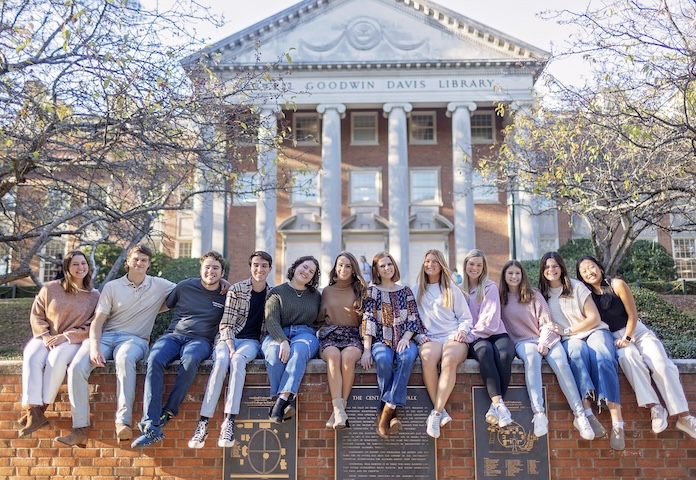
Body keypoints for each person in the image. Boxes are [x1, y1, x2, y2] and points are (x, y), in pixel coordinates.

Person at [56, 244, 176, 448]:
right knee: (76, 367)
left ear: (148, 264)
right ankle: (80, 429)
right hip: (105, 337)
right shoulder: (112, 287)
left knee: (124, 359)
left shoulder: (160, 285)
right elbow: (98, 322)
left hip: (134, 340)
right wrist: (94, 347)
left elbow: (191, 289)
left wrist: (223, 283)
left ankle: (123, 423)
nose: (139, 263)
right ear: (128, 262)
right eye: (136, 259)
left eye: (144, 260)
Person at [577, 255, 696, 439]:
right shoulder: (586, 296)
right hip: (614, 338)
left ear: (600, 267)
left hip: (636, 331)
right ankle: (655, 407)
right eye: (583, 271)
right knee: (627, 358)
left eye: (591, 267)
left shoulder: (617, 284)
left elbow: (632, 315)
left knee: (661, 365)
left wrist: (628, 336)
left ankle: (684, 416)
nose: (589, 272)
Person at [131, 251, 227, 448]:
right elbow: (163, 306)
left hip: (201, 341)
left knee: (191, 360)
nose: (211, 271)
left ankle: (168, 412)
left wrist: (227, 284)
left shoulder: (227, 294)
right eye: (207, 267)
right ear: (200, 269)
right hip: (173, 336)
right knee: (154, 358)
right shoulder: (185, 287)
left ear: (222, 272)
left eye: (216, 268)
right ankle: (151, 423)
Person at [539, 251, 626, 451]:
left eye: (555, 266)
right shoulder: (542, 295)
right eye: (547, 267)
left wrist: (568, 330)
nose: (551, 270)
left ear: (561, 267)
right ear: (542, 271)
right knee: (577, 355)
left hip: (594, 331)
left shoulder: (576, 287)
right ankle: (588, 415)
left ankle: (617, 423)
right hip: (570, 340)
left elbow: (594, 318)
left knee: (604, 356)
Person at [499, 260, 594, 440]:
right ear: (504, 276)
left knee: (561, 363)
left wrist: (544, 342)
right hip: (523, 341)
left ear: (522, 275)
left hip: (546, 337)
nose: (514, 277)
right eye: (510, 273)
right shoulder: (500, 298)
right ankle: (539, 414)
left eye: (517, 273)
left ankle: (580, 415)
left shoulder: (533, 294)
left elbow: (547, 322)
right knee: (532, 359)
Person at [188, 251, 273, 449]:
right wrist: (230, 345)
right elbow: (226, 323)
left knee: (237, 361)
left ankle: (229, 421)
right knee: (221, 362)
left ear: (269, 268)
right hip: (229, 338)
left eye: (263, 266)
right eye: (256, 265)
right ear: (250, 267)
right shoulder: (236, 290)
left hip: (252, 342)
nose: (259, 269)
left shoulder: (273, 294)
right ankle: (203, 422)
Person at [19, 250, 100, 437]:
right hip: (47, 336)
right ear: (67, 268)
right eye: (75, 264)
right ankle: (33, 410)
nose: (80, 267)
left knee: (56, 358)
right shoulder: (50, 288)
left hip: (73, 340)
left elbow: (93, 325)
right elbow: (36, 315)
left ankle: (40, 410)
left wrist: (68, 336)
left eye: (83, 263)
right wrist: (45, 336)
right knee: (31, 355)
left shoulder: (94, 295)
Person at [361, 251, 425, 438]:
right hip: (382, 340)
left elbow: (413, 317)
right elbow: (369, 320)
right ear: (376, 270)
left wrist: (406, 338)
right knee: (383, 360)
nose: (387, 268)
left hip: (405, 338)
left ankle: (386, 409)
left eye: (389, 264)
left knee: (406, 359)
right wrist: (366, 350)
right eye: (382, 266)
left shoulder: (405, 291)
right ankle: (393, 410)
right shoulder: (372, 292)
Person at [412, 249, 472, 438]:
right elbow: (411, 320)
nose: (430, 265)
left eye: (435, 262)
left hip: (452, 335)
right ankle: (441, 411)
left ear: (441, 265)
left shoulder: (451, 289)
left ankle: (436, 413)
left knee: (448, 360)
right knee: (427, 356)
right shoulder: (415, 290)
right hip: (430, 337)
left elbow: (465, 317)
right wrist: (418, 336)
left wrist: (462, 332)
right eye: (427, 261)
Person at [262, 256, 321, 423]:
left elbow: (322, 318)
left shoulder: (315, 295)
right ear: (295, 266)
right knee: (274, 354)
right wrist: (283, 340)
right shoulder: (277, 292)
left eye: (312, 271)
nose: (307, 272)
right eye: (305, 267)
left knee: (298, 351)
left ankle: (279, 402)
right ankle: (286, 402)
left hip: (305, 334)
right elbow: (271, 320)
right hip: (278, 333)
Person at [462, 249, 516, 428]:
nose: (475, 268)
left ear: (483, 267)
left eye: (479, 265)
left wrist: (470, 336)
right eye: (471, 264)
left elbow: (490, 320)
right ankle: (499, 405)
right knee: (485, 352)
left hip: (494, 332)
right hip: (476, 339)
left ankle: (496, 406)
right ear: (465, 265)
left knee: (504, 355)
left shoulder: (489, 287)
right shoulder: (459, 289)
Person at [317, 252, 367, 430]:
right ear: (335, 267)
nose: (343, 269)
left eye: (347, 266)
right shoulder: (326, 291)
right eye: (340, 265)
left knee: (347, 358)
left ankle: (339, 411)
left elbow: (366, 320)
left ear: (353, 269)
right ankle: (339, 411)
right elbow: (319, 318)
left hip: (353, 335)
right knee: (333, 356)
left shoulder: (361, 290)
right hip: (331, 334)